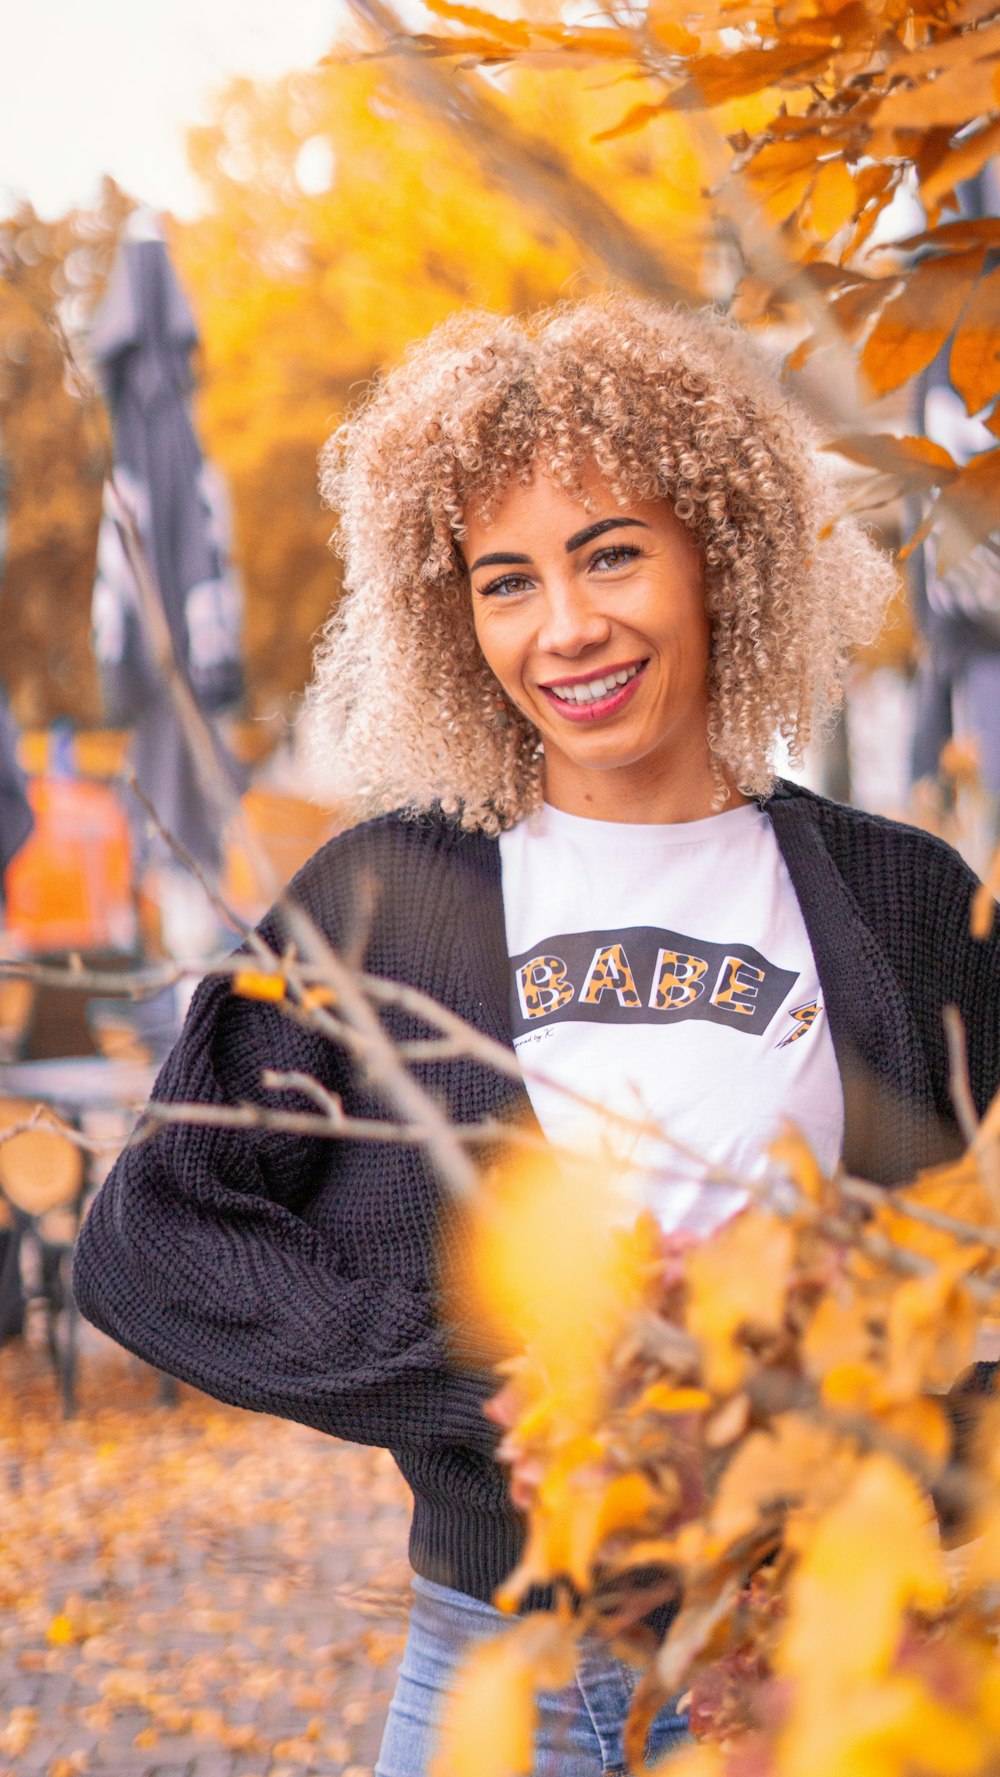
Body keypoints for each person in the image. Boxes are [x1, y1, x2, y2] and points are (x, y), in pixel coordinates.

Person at [74, 296, 1000, 1777]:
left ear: (720, 553)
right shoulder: (393, 895)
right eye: (505, 581)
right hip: (507, 1676)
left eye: (612, 551)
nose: (564, 626)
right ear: (459, 620)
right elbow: (151, 1240)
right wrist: (496, 1372)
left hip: (828, 1669)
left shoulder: (902, 903)